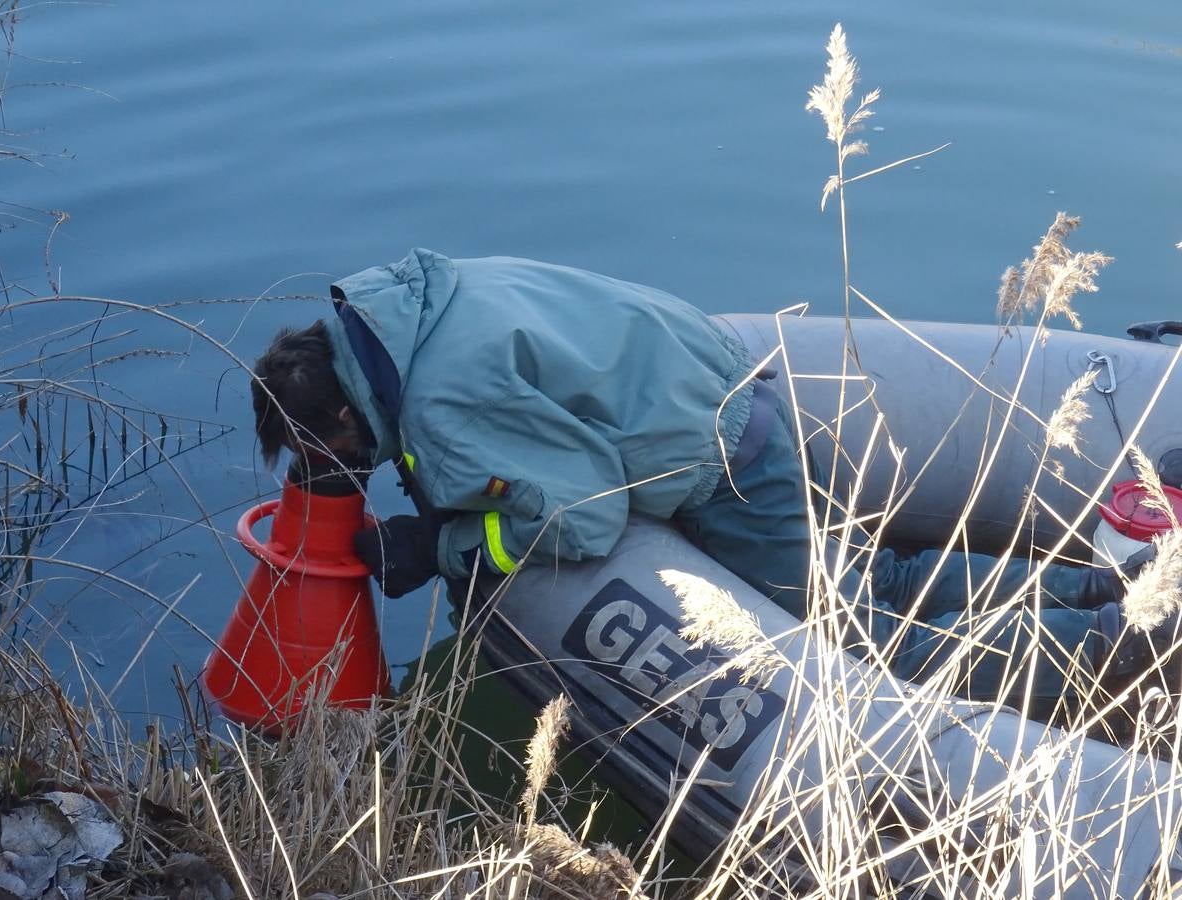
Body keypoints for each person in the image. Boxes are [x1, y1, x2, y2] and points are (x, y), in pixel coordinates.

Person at [251, 247, 1176, 710]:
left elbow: (580, 517)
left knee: (863, 642)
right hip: (741, 394)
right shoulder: (414, 300)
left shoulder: (441, 410)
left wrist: (444, 539)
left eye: (326, 453)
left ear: (339, 415)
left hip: (728, 468)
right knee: (881, 579)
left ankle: (1110, 644)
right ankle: (1112, 583)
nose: (338, 470)